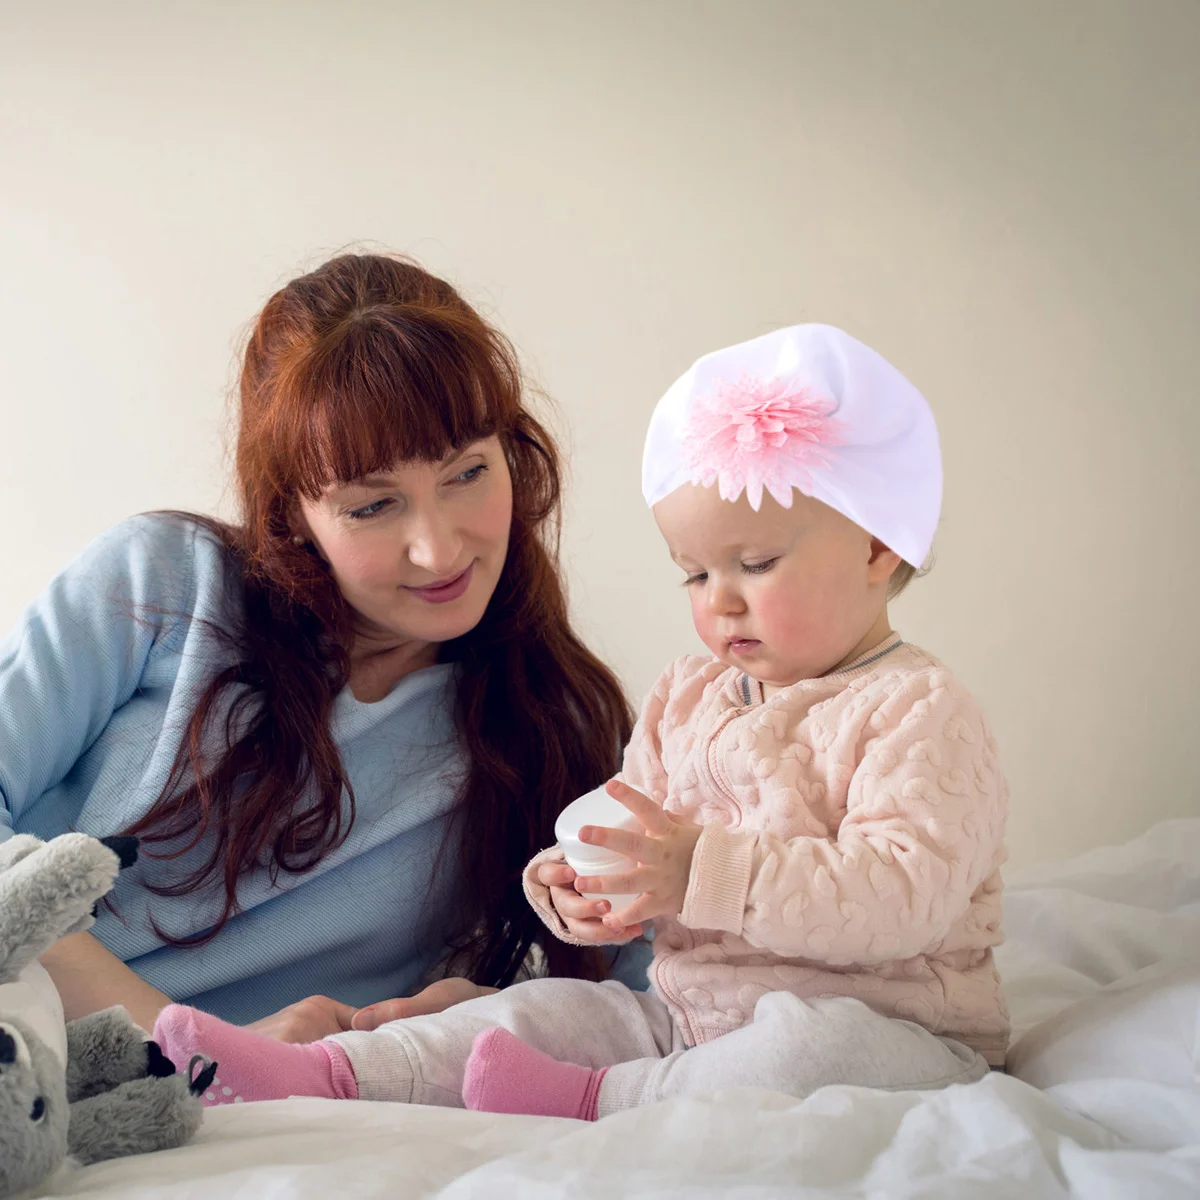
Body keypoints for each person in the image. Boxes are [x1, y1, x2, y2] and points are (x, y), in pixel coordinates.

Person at [152, 323, 1010, 1116]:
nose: (721, 602)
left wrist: (702, 874)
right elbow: (629, 835)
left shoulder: (916, 711)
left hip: (890, 1033)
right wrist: (583, 889)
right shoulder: (690, 696)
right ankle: (328, 1074)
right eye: (695, 575)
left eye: (753, 564)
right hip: (693, 1014)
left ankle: (591, 1103)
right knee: (544, 1010)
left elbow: (903, 899)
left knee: (803, 1051)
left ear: (875, 546)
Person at [0, 253, 635, 1038]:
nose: (439, 550)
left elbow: (667, 995)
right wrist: (187, 1045)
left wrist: (487, 1017)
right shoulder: (164, 582)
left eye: (468, 472)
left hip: (230, 1123)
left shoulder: (554, 730)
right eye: (372, 507)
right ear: (294, 513)